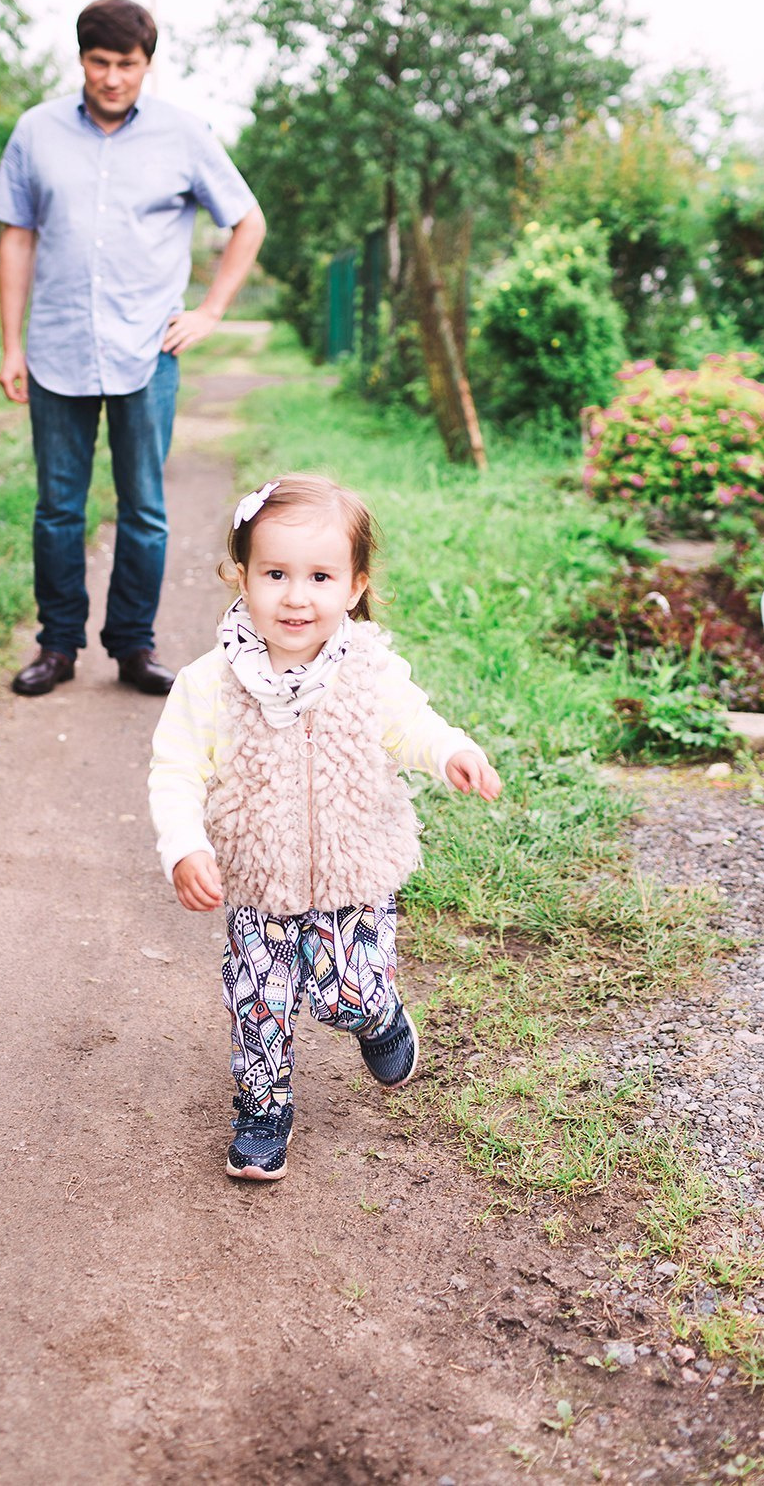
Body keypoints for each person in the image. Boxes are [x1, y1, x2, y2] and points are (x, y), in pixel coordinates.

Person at [147, 473, 502, 1180]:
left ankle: (380, 1015)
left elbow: (410, 725)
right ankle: (262, 1108)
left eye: (319, 576)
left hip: (353, 872)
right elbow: (176, 770)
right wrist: (185, 845)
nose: (296, 595)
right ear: (240, 575)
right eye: (275, 573)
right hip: (260, 883)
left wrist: (451, 750)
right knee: (260, 1004)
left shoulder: (368, 670)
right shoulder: (210, 682)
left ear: (355, 583)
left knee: (349, 992)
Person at [0, 0, 268, 698]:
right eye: (99, 62)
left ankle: (134, 646)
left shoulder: (184, 134)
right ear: (81, 58)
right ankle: (56, 646)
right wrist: (9, 344)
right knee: (58, 507)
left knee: (144, 506)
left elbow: (248, 221)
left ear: (147, 64)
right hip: (55, 348)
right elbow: (16, 236)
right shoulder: (36, 131)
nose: (113, 78)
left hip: (148, 350)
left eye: (128, 65)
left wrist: (210, 310)